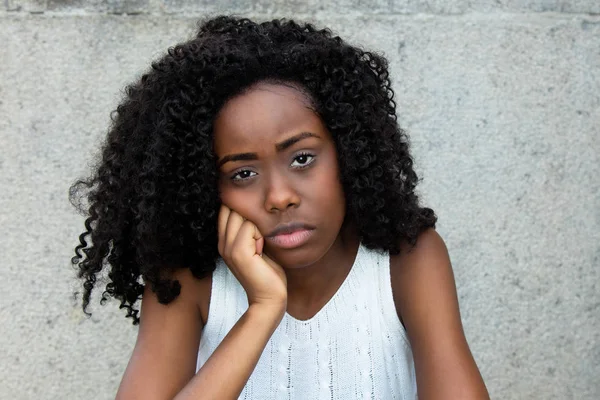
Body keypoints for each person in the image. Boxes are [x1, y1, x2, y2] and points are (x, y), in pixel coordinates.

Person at [69, 15, 489, 400]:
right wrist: (263, 309)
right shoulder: (189, 280)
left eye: (302, 158)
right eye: (242, 174)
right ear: (203, 187)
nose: (278, 196)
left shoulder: (405, 261)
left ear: (350, 153)